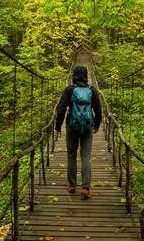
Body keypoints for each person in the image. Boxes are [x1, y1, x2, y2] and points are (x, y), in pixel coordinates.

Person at [55, 66, 102, 200]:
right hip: (87, 127)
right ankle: (86, 188)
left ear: (73, 76)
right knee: (85, 156)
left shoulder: (69, 90)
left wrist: (58, 127)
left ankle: (71, 185)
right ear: (86, 76)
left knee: (71, 155)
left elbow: (61, 109)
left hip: (72, 126)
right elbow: (98, 110)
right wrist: (97, 125)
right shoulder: (92, 90)